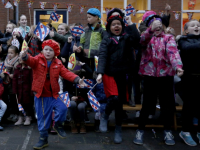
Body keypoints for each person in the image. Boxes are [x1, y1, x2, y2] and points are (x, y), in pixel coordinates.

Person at [20, 39, 86, 149]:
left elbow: (66, 73)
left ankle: (58, 125)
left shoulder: (58, 63)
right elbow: (30, 61)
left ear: (55, 52)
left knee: (63, 108)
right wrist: (24, 56)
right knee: (43, 119)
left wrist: (78, 79)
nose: (48, 52)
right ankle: (43, 139)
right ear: (42, 50)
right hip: (41, 96)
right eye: (46, 49)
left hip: (54, 94)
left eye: (51, 50)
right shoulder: (37, 59)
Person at [133, 12, 183, 146]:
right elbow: (142, 40)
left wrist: (177, 66)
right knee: (147, 104)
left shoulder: (168, 38)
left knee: (167, 105)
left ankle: (167, 130)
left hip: (166, 76)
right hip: (149, 76)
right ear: (150, 25)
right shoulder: (146, 37)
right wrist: (150, 30)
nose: (158, 26)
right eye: (155, 24)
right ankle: (140, 130)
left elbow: (173, 52)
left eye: (160, 24)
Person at [96, 8, 140, 144]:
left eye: (119, 24)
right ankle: (105, 115)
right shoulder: (106, 40)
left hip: (123, 74)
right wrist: (100, 73)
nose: (116, 26)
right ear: (109, 26)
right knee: (114, 98)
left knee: (120, 103)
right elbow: (102, 57)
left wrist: (131, 24)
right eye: (114, 24)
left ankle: (118, 129)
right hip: (109, 74)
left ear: (122, 26)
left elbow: (137, 41)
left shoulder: (127, 38)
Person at [178, 19, 200, 146]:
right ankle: (185, 132)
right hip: (189, 78)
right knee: (189, 106)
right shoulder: (183, 40)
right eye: (193, 26)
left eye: (198, 25)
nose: (196, 27)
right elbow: (187, 49)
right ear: (186, 30)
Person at [75, 8, 106, 79]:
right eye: (87, 17)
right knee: (87, 76)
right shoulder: (85, 30)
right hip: (86, 57)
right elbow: (82, 42)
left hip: (97, 58)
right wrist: (80, 48)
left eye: (89, 17)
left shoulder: (102, 30)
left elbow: (105, 43)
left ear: (96, 17)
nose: (87, 19)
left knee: (96, 76)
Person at [1, 45, 20, 123]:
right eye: (9, 53)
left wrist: (14, 75)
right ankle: (10, 113)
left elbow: (18, 72)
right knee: (7, 100)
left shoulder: (17, 62)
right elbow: (4, 68)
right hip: (6, 83)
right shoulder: (6, 61)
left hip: (14, 84)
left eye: (12, 53)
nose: (9, 54)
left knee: (14, 99)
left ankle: (16, 114)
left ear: (16, 54)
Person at [12, 58, 33, 126]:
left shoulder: (29, 69)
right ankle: (20, 117)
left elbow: (31, 80)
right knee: (19, 104)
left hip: (27, 90)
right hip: (19, 90)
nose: (20, 59)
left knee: (28, 104)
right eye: (19, 58)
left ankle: (28, 117)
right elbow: (14, 80)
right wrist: (14, 90)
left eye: (22, 58)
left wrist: (32, 91)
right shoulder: (17, 68)